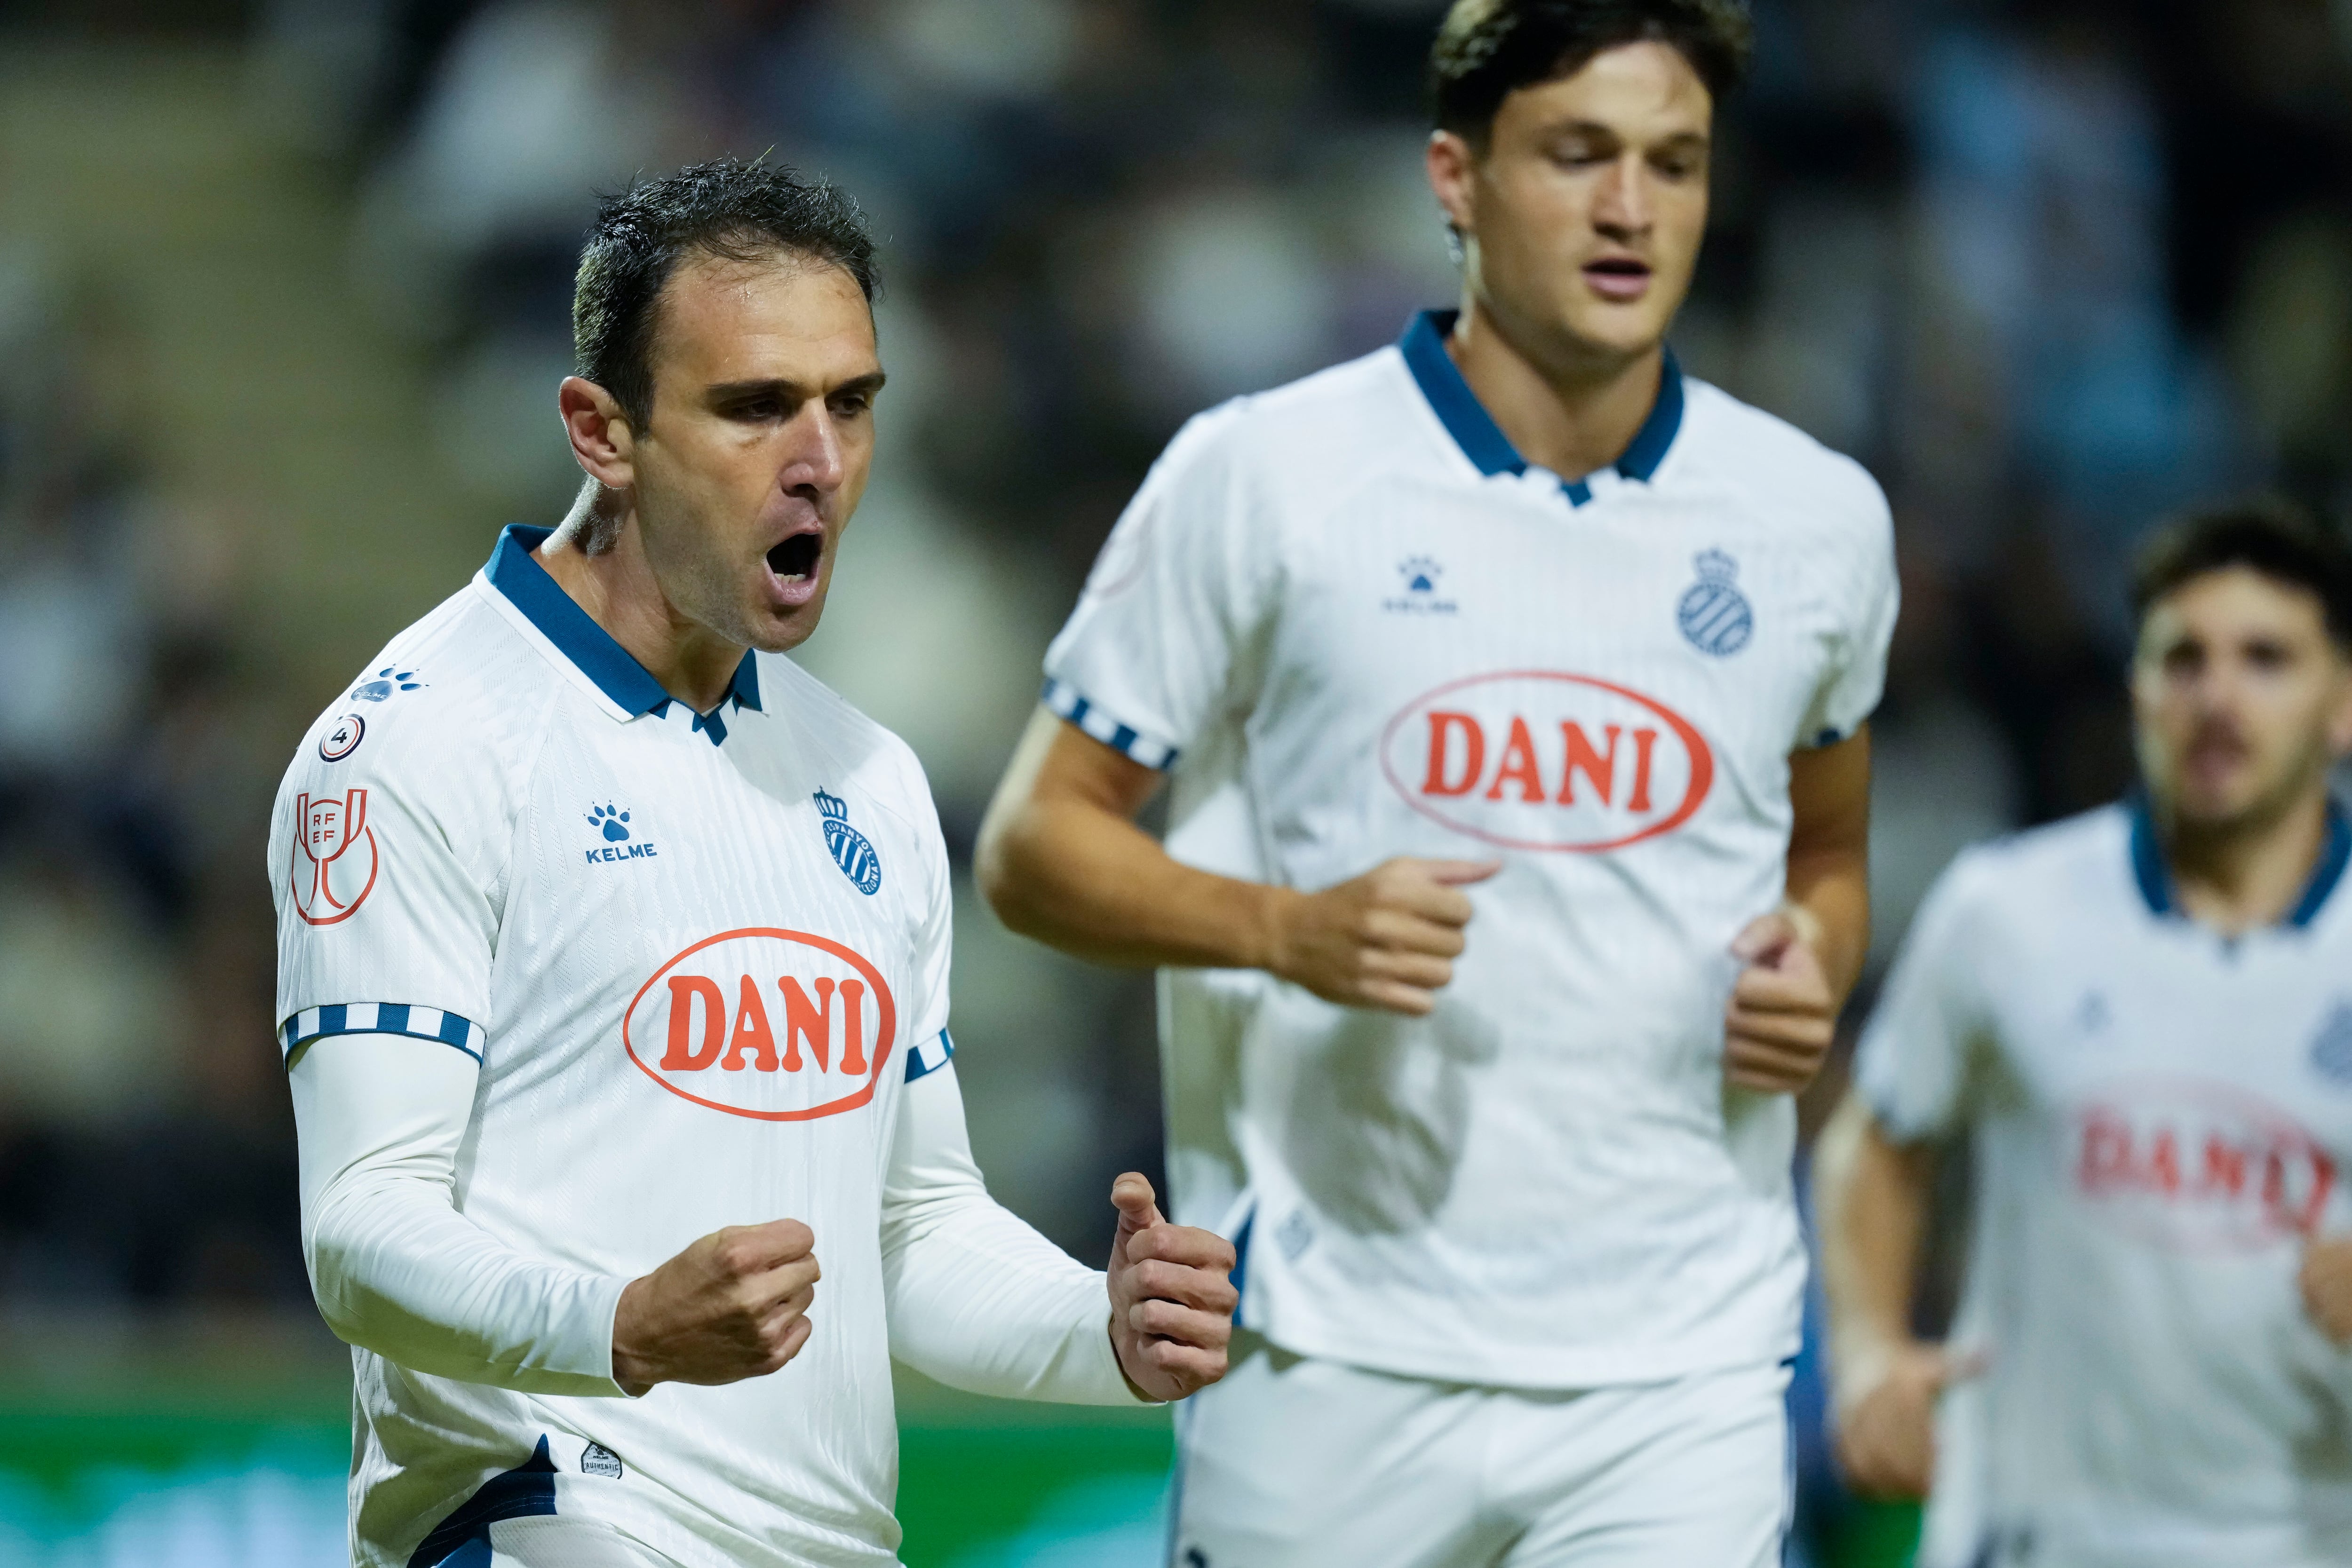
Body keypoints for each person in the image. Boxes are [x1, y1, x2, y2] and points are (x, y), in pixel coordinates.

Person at [975, 2, 1896, 1562]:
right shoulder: (1262, 475)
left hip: (1677, 1370)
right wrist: (1286, 930)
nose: (1631, 207)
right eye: (1579, 156)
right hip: (1326, 1350)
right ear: (1455, 178)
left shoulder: (1816, 519)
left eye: (1674, 164)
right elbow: (1032, 847)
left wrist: (1820, 955)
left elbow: (1830, 853)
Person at [271, 158, 1236, 1568]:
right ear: (603, 431)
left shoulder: (870, 778)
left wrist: (1104, 1328)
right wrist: (616, 1323)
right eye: (754, 407)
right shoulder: (417, 745)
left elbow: (911, 1228)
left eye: (850, 402)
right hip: (544, 1514)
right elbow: (361, 1228)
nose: (822, 462)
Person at [1816, 502, 2352, 1568]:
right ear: (2136, 692)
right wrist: (1869, 1347)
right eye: (2181, 659)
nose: (2218, 696)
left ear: (2343, 706)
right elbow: (1876, 1138)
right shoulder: (2006, 911)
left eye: (2266, 659)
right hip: (2031, 1536)